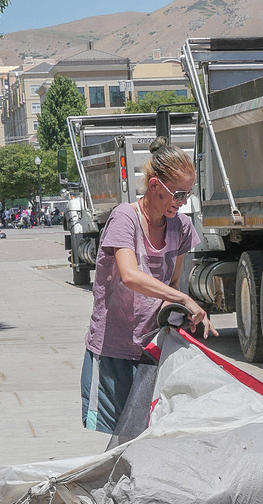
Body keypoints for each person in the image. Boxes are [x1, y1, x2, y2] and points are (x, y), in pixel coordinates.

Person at [81, 137, 217, 434]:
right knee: (120, 439)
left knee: (153, 433)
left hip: (154, 349)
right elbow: (129, 275)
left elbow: (172, 282)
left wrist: (180, 312)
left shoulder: (180, 227)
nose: (181, 203)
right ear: (154, 185)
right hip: (114, 349)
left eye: (187, 195)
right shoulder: (124, 218)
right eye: (177, 194)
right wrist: (184, 298)